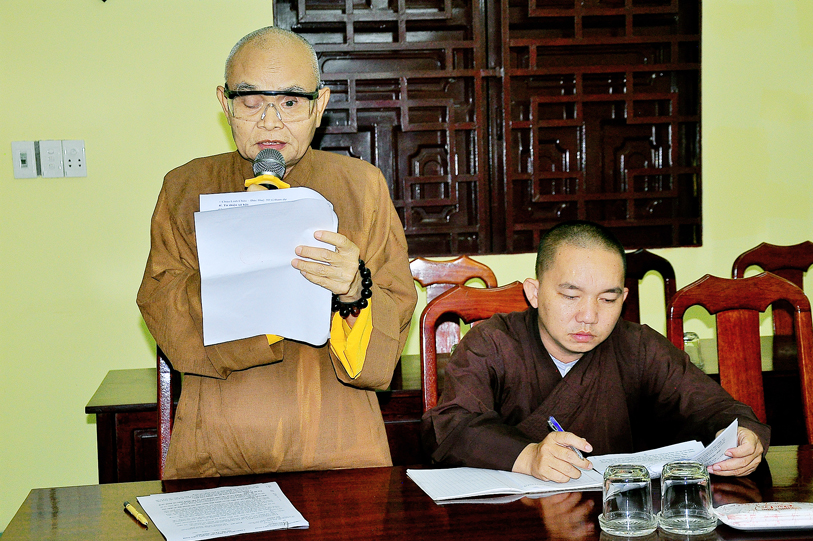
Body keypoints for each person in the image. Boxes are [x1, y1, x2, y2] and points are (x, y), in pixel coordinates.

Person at [137, 26, 417, 479]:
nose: (270, 122)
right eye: (251, 101)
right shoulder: (185, 188)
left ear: (319, 105)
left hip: (339, 443)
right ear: (225, 102)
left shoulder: (362, 186)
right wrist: (252, 269)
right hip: (218, 443)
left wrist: (353, 291)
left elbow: (395, 309)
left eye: (290, 102)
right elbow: (163, 307)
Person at [422, 221, 769, 482]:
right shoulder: (492, 343)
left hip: (621, 516)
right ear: (534, 293)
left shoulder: (638, 347)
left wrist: (744, 436)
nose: (589, 316)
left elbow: (714, 407)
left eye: (607, 298)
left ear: (624, 299)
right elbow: (451, 425)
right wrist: (527, 456)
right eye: (570, 296)